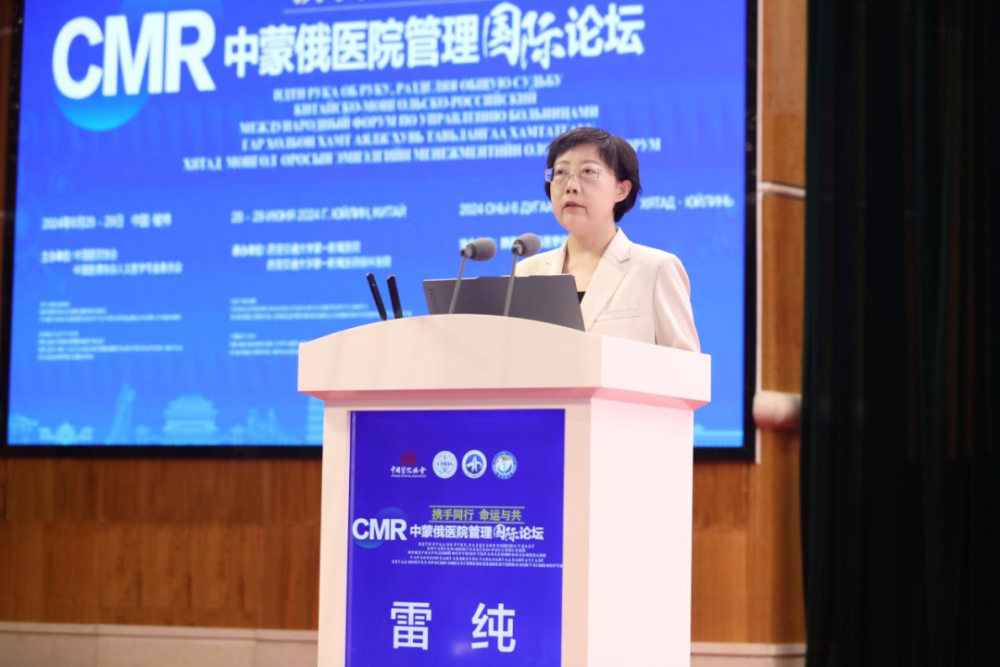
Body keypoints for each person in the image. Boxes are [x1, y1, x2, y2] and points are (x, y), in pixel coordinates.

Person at [515, 127, 701, 352]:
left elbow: (686, 367)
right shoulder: (526, 273)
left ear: (621, 190)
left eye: (588, 171)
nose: (571, 186)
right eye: (561, 172)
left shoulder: (656, 268)